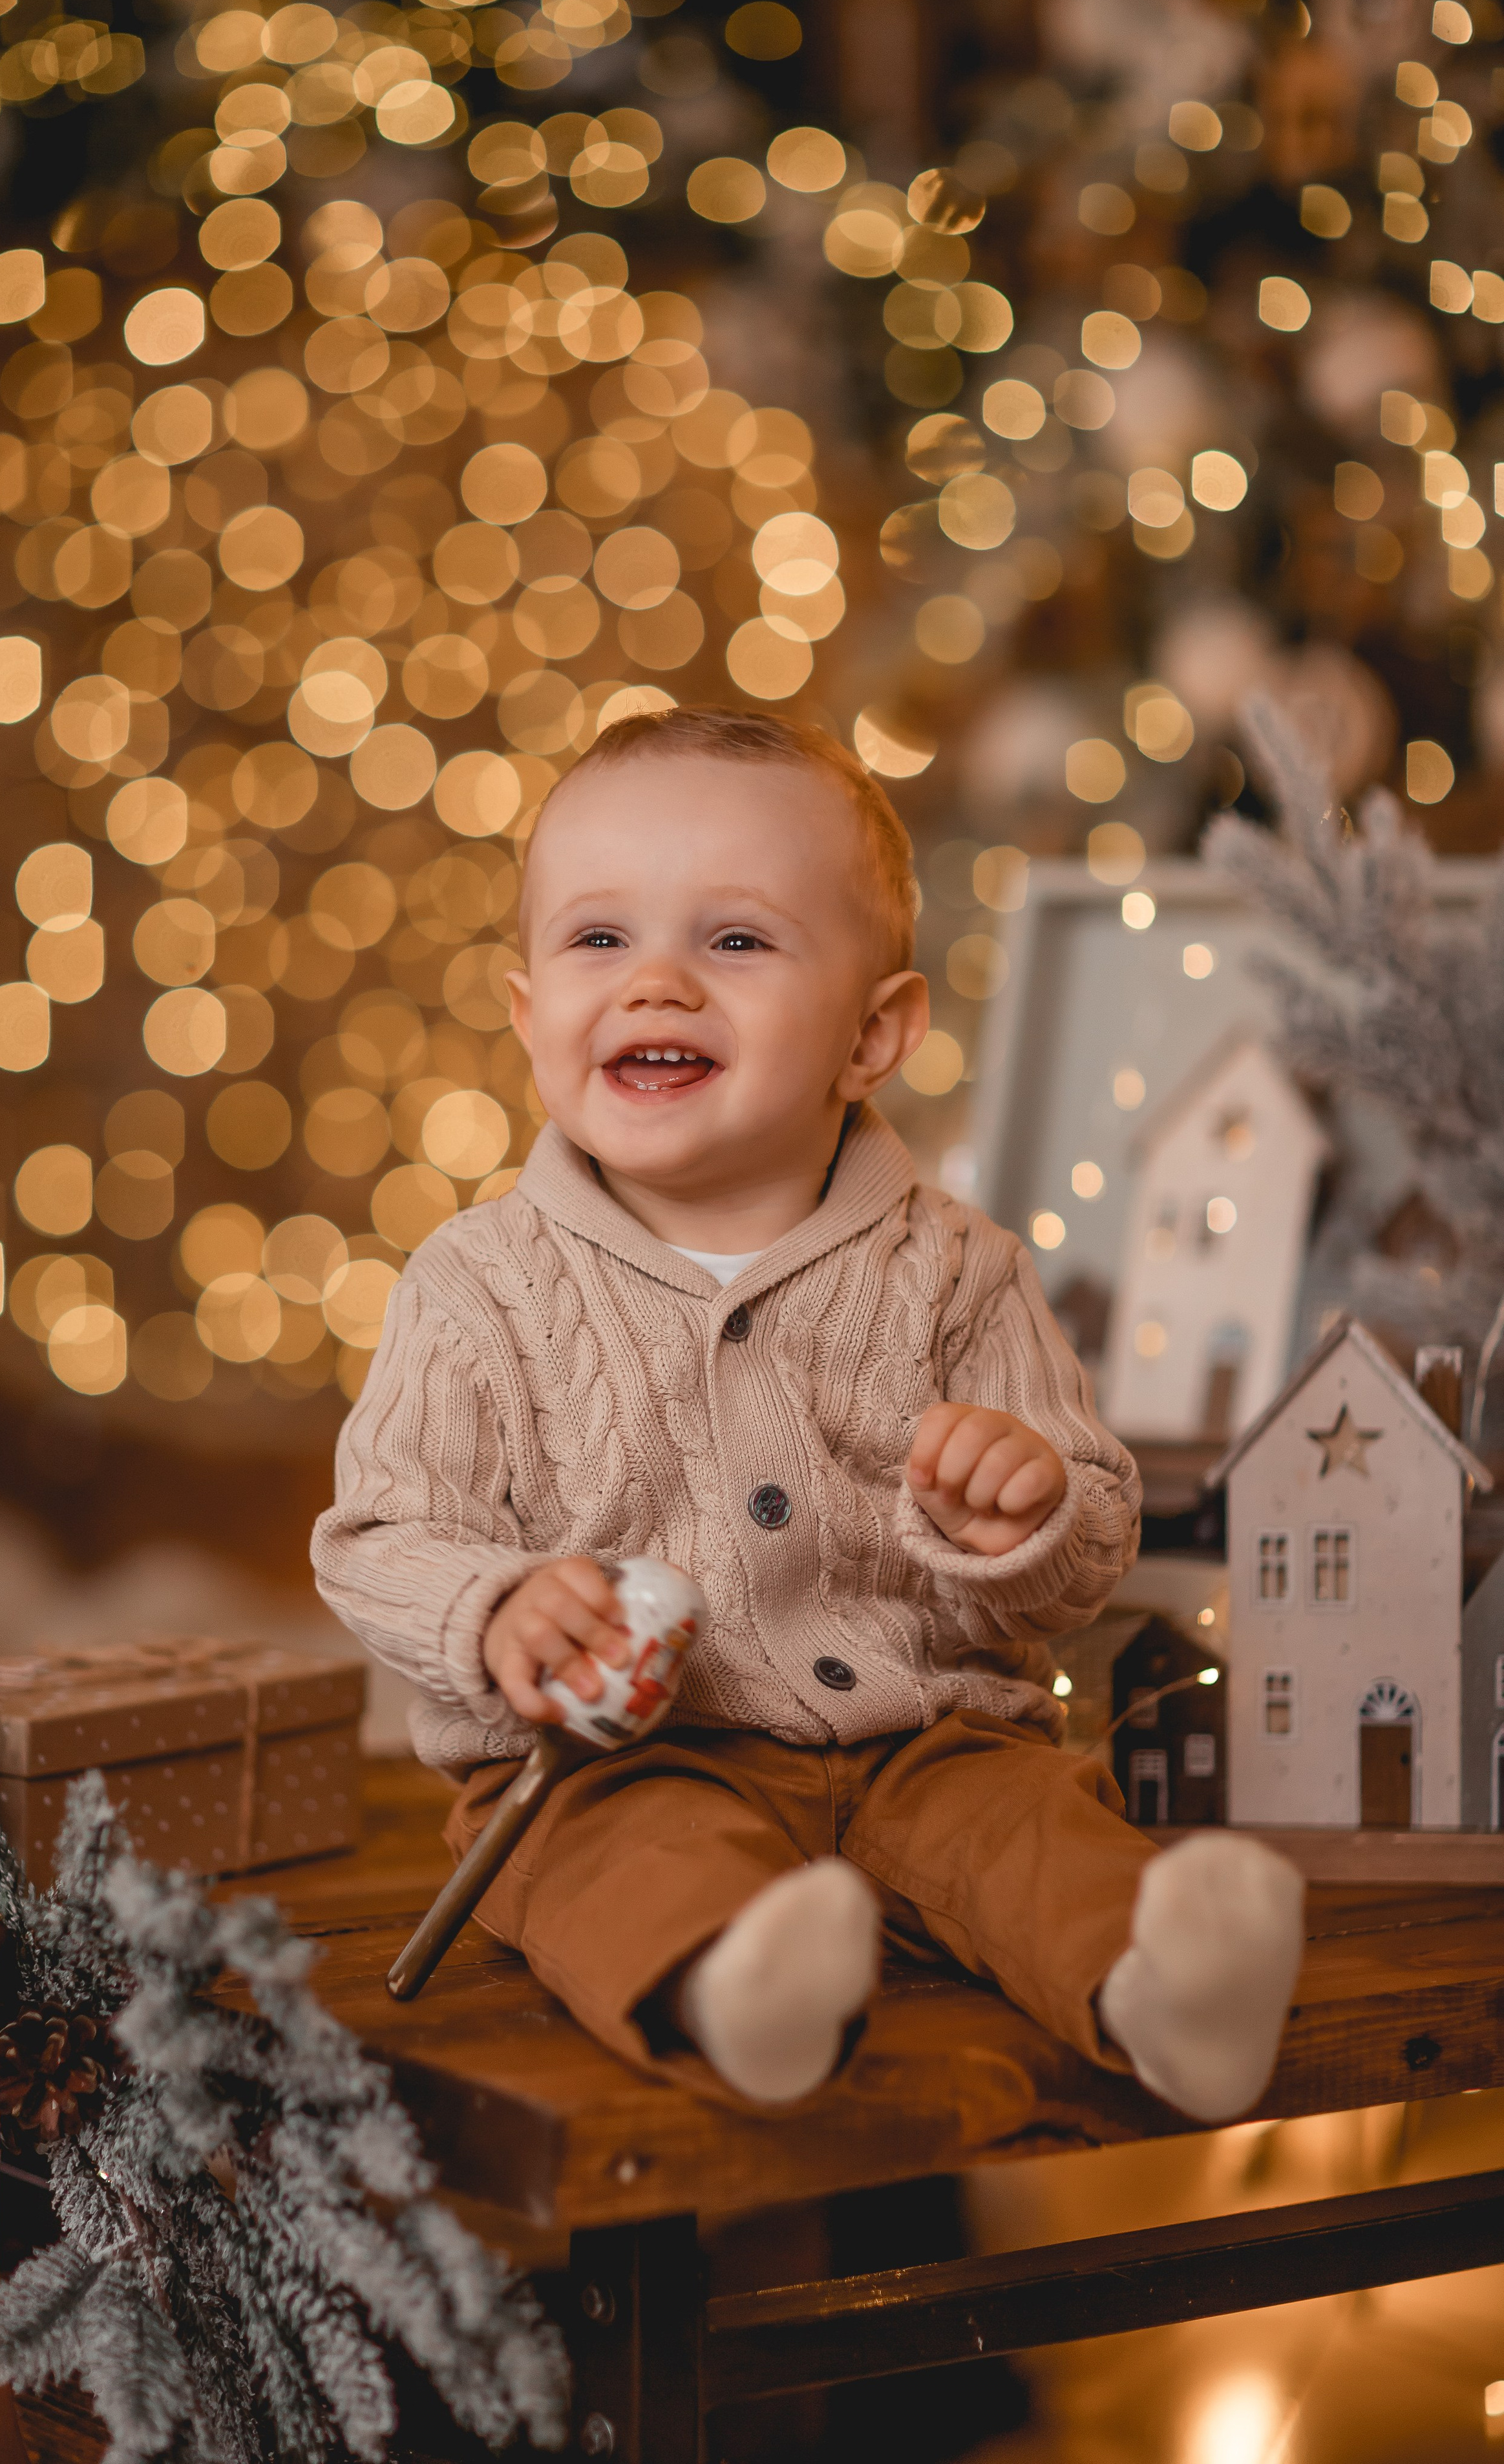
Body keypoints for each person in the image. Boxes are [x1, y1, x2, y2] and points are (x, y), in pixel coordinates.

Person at [313, 706, 1303, 2118]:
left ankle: (1165, 1986)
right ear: (530, 1016)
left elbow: (1086, 1550)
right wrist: (495, 1610)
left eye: (735, 940)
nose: (657, 982)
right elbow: (377, 1536)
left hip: (922, 1741)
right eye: (600, 939)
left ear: (872, 1034)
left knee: (1029, 1827)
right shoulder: (479, 1286)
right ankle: (742, 1990)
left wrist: (1026, 1515)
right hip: (610, 1765)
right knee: (621, 1865)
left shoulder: (956, 1267)